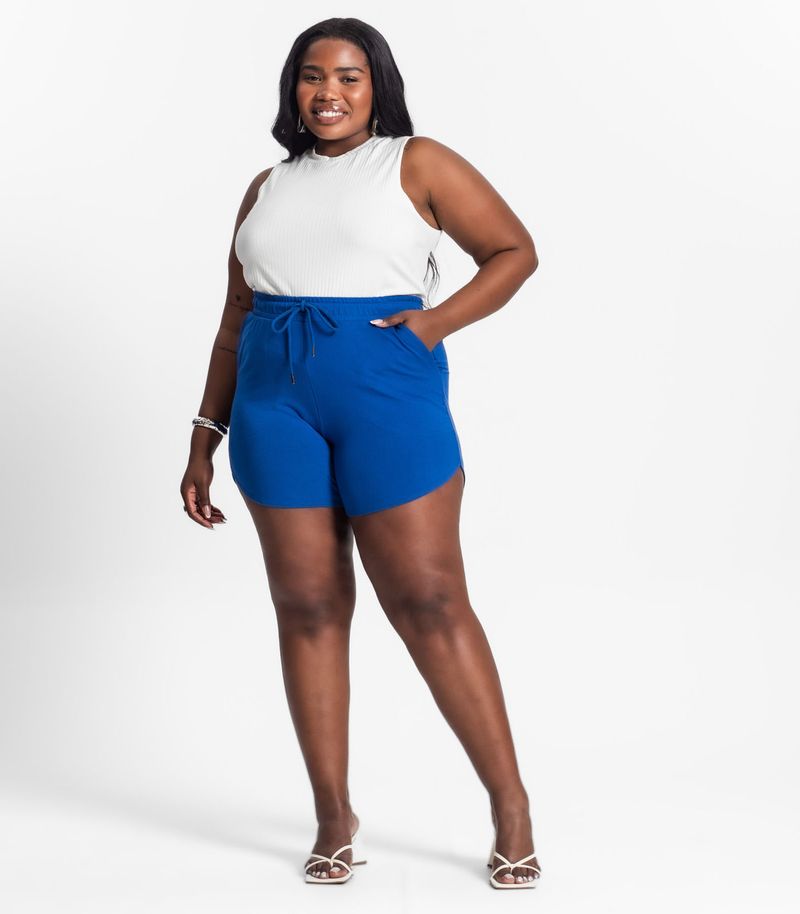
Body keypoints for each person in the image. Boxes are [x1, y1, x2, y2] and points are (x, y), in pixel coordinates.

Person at [180, 17, 541, 890]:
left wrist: (431, 325)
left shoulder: (415, 162)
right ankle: (333, 815)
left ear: (377, 85)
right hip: (273, 406)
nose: (328, 92)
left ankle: (511, 808)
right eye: (313, 76)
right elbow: (235, 317)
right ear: (292, 89)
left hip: (387, 397)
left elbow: (514, 251)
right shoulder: (267, 185)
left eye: (348, 76)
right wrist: (203, 435)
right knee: (305, 604)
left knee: (429, 601)